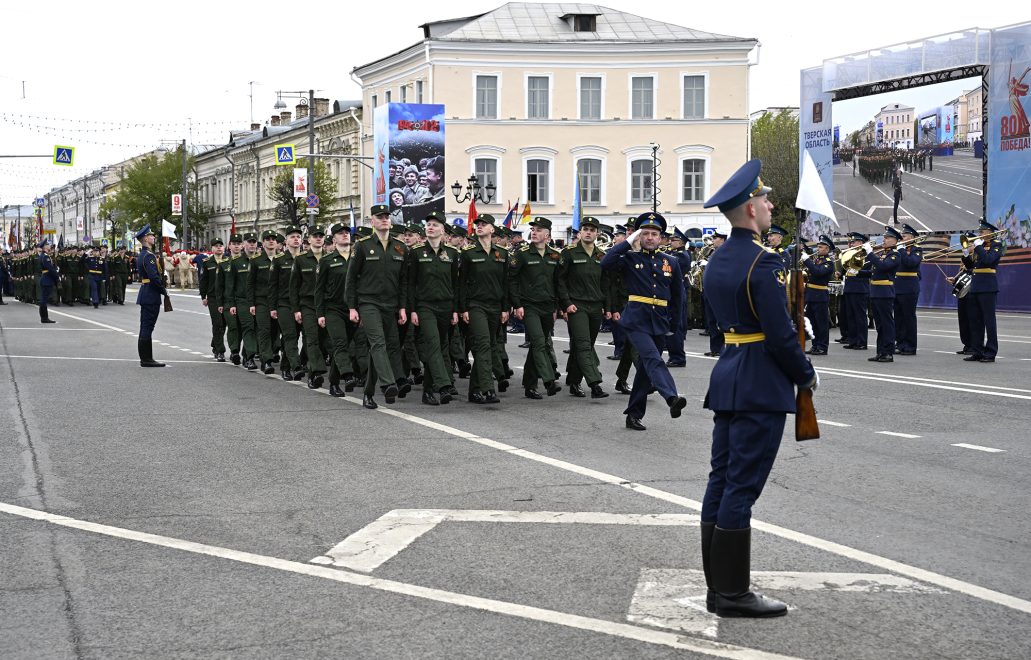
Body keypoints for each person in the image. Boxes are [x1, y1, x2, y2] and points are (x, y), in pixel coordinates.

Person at [700, 159, 818, 618]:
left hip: (729, 371)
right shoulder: (763, 262)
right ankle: (732, 594)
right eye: (765, 199)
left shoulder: (716, 262)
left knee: (721, 479)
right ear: (750, 210)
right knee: (741, 488)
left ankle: (718, 588)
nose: (771, 205)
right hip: (759, 381)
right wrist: (804, 374)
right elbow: (780, 335)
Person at [600, 212, 687, 431]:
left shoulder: (671, 262)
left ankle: (633, 414)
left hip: (659, 321)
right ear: (640, 236)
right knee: (652, 358)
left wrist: (674, 327)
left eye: (654, 234)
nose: (649, 237)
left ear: (661, 237)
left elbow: (678, 298)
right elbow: (606, 262)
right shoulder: (630, 258)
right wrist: (628, 241)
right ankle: (671, 397)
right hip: (636, 320)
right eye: (645, 233)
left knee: (645, 371)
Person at [346, 205, 412, 408]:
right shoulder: (362, 246)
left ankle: (368, 393)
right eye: (379, 217)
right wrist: (352, 307)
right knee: (378, 343)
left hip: (391, 304)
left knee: (391, 345)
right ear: (372, 221)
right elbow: (351, 279)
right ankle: (389, 383)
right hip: (369, 302)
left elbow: (403, 282)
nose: (384, 219)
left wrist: (402, 307)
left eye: (386, 217)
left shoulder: (401, 247)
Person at [406, 210, 460, 405]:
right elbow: (410, 284)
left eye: (435, 225)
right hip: (424, 306)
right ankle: (444, 384)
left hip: (445, 307)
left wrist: (455, 309)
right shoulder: (416, 252)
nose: (430, 227)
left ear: (443, 231)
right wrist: (412, 309)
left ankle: (428, 392)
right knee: (433, 343)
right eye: (428, 224)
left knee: (437, 347)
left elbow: (455, 284)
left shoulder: (452, 254)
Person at [458, 213, 509, 404]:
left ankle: (474, 390)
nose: (479, 226)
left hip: (495, 306)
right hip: (476, 305)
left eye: (484, 224)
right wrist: (463, 308)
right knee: (483, 344)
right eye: (477, 224)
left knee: (488, 345)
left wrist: (505, 308)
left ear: (492, 229)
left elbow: (505, 283)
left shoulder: (502, 254)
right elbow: (461, 283)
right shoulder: (469, 253)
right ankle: (488, 389)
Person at [509, 217, 562, 399]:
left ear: (547, 235)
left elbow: (558, 283)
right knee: (539, 342)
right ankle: (549, 381)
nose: (534, 232)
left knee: (537, 347)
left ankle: (529, 385)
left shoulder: (555, 255)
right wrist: (517, 305)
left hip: (547, 306)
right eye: (533, 229)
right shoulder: (522, 253)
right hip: (529, 305)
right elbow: (513, 280)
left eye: (539, 230)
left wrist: (557, 308)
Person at [558, 216, 609, 398]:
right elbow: (560, 281)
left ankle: (573, 381)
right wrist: (566, 304)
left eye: (592, 230)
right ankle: (595, 383)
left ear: (597, 234)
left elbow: (605, 284)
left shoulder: (601, 255)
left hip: (595, 306)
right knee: (583, 344)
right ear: (580, 232)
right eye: (585, 229)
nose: (588, 232)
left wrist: (606, 306)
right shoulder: (569, 252)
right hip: (576, 306)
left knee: (583, 346)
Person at [316, 223, 357, 398]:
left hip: (353, 309)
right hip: (333, 309)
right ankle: (348, 375)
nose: (345, 235)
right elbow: (319, 289)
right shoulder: (326, 261)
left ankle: (333, 383)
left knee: (345, 345)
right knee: (339, 343)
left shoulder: (357, 259)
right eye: (340, 234)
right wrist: (320, 314)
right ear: (334, 239)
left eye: (347, 233)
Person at [291, 226, 329, 389]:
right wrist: (296, 309)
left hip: (327, 305)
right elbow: (294, 287)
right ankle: (316, 372)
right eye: (315, 236)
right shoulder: (300, 260)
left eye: (321, 236)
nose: (319, 238)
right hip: (308, 304)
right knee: (311, 338)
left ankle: (311, 366)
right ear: (309, 239)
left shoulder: (330, 258)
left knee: (323, 340)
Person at [964, 219, 1003, 363]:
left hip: (988, 287)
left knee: (989, 321)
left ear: (990, 233)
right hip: (975, 286)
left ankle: (991, 352)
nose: (979, 234)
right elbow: (970, 266)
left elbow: (988, 260)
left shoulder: (996, 245)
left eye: (982, 232)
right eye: (979, 231)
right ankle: (977, 350)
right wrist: (966, 254)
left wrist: (979, 248)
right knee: (975, 321)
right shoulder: (979, 246)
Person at [865, 227, 901, 363]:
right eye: (884, 238)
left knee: (887, 323)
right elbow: (875, 271)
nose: (884, 240)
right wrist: (857, 272)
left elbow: (883, 267)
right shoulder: (883, 254)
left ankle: (888, 352)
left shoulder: (895, 255)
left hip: (885, 292)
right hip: (875, 291)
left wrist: (870, 253)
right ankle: (881, 351)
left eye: (887, 238)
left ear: (895, 241)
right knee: (879, 324)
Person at [134, 224, 168, 367]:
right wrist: (163, 291)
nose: (154, 237)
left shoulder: (144, 255)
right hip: (151, 294)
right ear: (146, 239)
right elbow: (154, 277)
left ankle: (146, 358)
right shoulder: (149, 256)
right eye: (151, 235)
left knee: (145, 327)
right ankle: (147, 359)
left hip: (146, 293)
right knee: (147, 327)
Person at [227, 232, 260, 370]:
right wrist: (231, 304)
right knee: (248, 327)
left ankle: (247, 354)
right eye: (249, 241)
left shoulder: (262, 261)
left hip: (259, 300)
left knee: (257, 329)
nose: (252, 244)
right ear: (243, 244)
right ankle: (250, 357)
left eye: (254, 241)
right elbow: (230, 286)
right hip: (242, 300)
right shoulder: (236, 262)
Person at [248, 230, 279, 374]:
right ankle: (266, 361)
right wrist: (251, 303)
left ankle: (273, 353)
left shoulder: (283, 260)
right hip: (262, 301)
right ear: (264, 242)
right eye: (268, 239)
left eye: (274, 239)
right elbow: (250, 284)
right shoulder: (256, 261)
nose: (271, 241)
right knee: (264, 330)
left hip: (280, 301)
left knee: (275, 331)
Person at [801, 235, 836, 356]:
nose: (818, 249)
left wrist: (807, 261)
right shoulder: (817, 260)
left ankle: (822, 346)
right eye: (818, 246)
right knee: (812, 322)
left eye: (821, 247)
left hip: (820, 295)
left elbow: (817, 272)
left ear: (827, 249)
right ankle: (815, 345)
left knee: (821, 323)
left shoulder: (829, 263)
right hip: (810, 295)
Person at [893, 224, 922, 356]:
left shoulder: (917, 249)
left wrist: (902, 251)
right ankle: (900, 343)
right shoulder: (899, 250)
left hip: (909, 287)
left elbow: (911, 263)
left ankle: (910, 346)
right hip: (897, 286)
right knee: (898, 318)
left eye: (904, 236)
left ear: (911, 237)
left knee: (908, 317)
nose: (901, 238)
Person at [841, 232, 871, 350]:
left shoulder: (866, 256)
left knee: (860, 316)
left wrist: (857, 272)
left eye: (854, 242)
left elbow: (869, 272)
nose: (852, 243)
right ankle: (853, 340)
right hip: (849, 288)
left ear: (861, 243)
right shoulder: (850, 254)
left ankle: (862, 342)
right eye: (851, 242)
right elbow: (847, 269)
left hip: (860, 289)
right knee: (851, 316)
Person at [199, 237, 227, 361]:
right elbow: (203, 280)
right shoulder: (207, 262)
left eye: (221, 245)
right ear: (212, 248)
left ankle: (215, 344)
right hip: (213, 297)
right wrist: (203, 296)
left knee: (224, 323)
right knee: (217, 323)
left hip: (226, 296)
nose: (219, 248)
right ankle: (220, 351)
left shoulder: (229, 261)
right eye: (216, 246)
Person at [37, 241, 59, 324]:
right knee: (44, 300)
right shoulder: (45, 257)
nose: (50, 246)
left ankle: (44, 318)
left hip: (46, 279)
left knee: (43, 299)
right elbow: (50, 269)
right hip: (47, 280)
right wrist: (57, 275)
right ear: (45, 247)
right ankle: (44, 318)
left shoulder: (44, 256)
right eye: (48, 245)